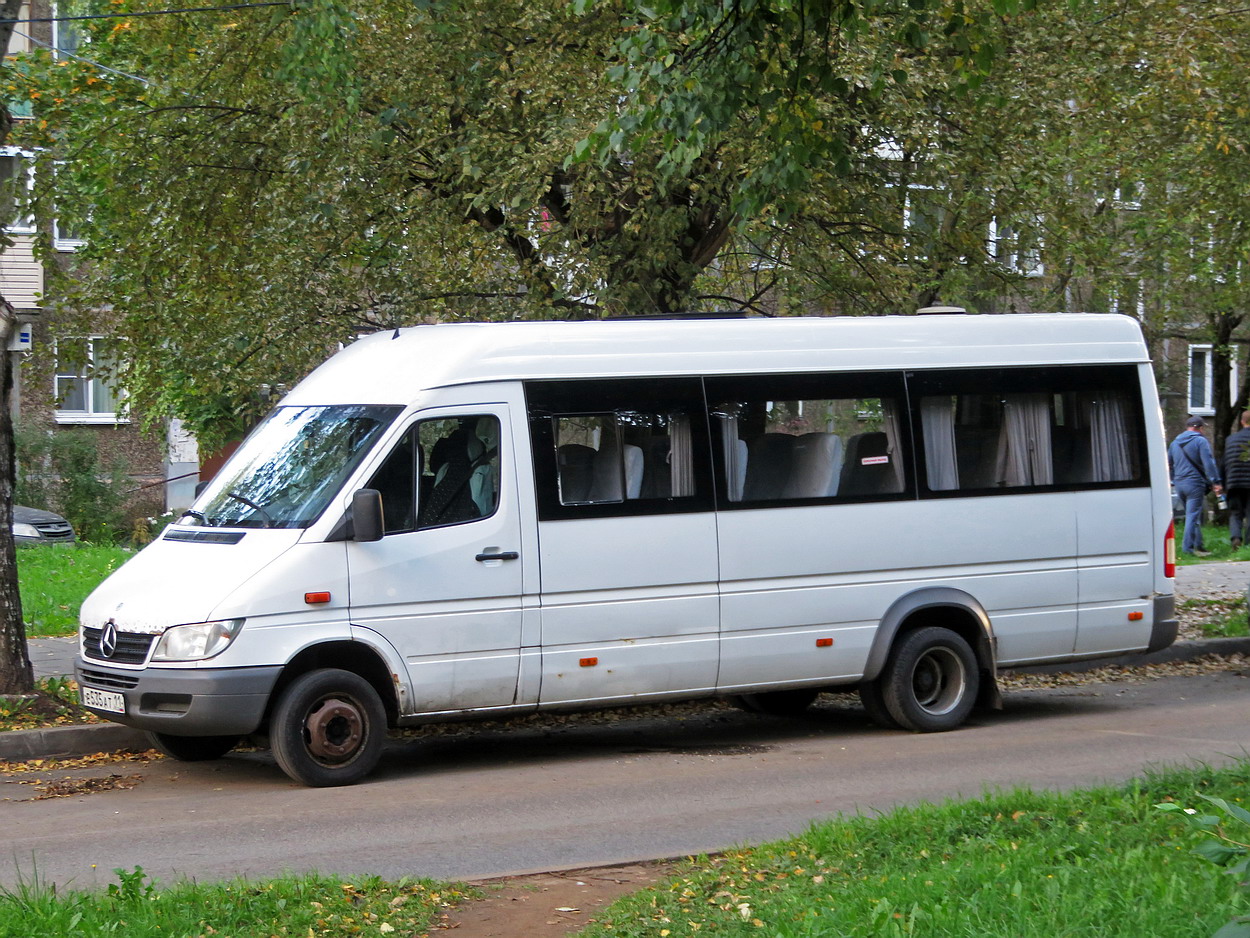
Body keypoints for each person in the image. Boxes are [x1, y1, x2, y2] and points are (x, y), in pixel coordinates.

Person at [1169, 415, 1223, 556]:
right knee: (1192, 516)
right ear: (1199, 428)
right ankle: (1187, 549)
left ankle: (1199, 545)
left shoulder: (1175, 443)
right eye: (1202, 428)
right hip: (1194, 483)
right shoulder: (1200, 441)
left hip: (1179, 484)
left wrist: (1173, 479)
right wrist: (1215, 481)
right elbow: (1208, 463)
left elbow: (1168, 463)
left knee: (1194, 515)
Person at [1224, 411, 1250, 550]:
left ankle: (1236, 538)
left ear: (1242, 422)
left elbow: (1225, 463)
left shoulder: (1231, 439)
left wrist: (1222, 483)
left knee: (1235, 512)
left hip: (1233, 482)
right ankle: (1249, 543)